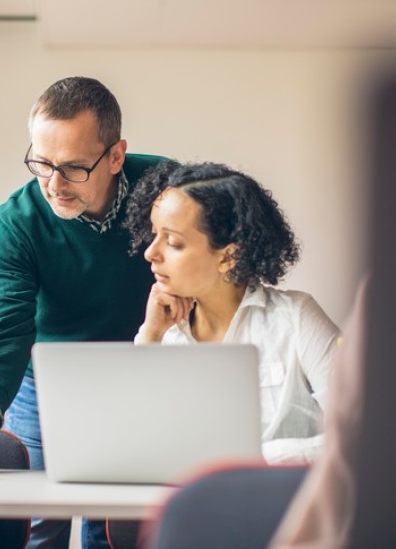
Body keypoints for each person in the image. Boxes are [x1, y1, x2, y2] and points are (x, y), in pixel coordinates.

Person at [0, 76, 167, 548]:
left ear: (116, 156)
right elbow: (9, 326)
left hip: (135, 374)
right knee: (41, 526)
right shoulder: (16, 222)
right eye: (41, 162)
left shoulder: (164, 188)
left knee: (112, 527)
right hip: (44, 383)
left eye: (74, 168)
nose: (53, 185)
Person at [123, 160, 341, 464]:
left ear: (229, 257)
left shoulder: (297, 319)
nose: (150, 252)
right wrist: (149, 336)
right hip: (192, 505)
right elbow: (132, 443)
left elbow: (361, 432)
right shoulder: (164, 335)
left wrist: (254, 461)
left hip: (283, 504)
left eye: (172, 242)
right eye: (154, 234)